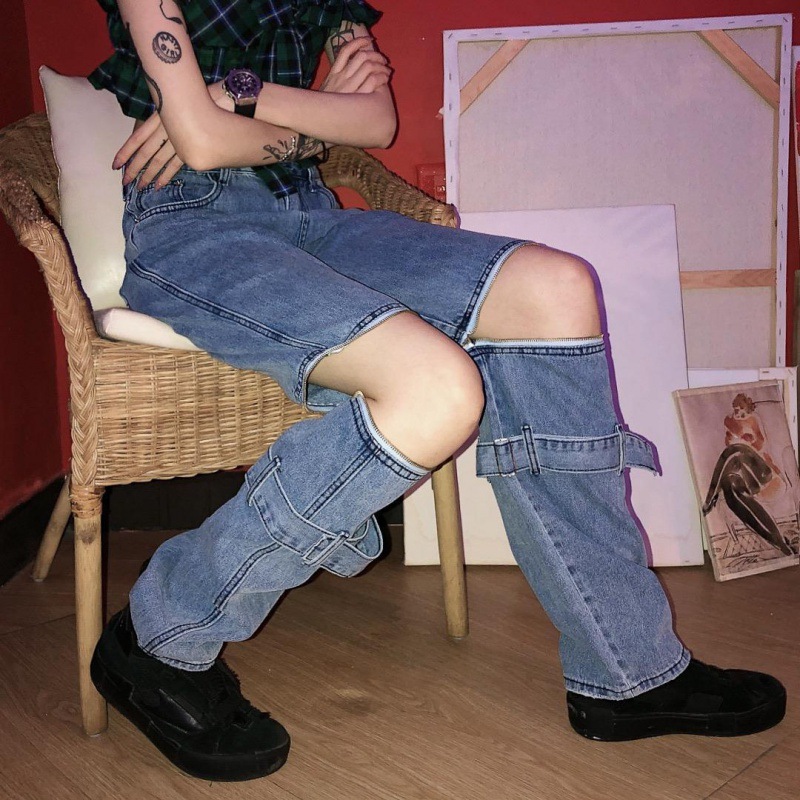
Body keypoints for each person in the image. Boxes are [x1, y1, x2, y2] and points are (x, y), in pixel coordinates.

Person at [87, 0, 787, 782]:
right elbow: (204, 143)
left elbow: (375, 123)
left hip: (315, 218)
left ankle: (628, 668)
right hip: (194, 228)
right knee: (437, 391)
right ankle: (162, 633)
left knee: (554, 287)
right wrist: (285, 116)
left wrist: (232, 94)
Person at [703, 394, 795, 557]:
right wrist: (732, 438)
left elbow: (762, 445)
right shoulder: (729, 421)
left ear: (748, 410)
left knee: (735, 450)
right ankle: (780, 544)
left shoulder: (753, 420)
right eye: (736, 411)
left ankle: (710, 498)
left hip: (765, 474)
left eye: (742, 412)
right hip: (747, 478)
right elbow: (728, 445)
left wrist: (748, 441)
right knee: (728, 482)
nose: (739, 415)